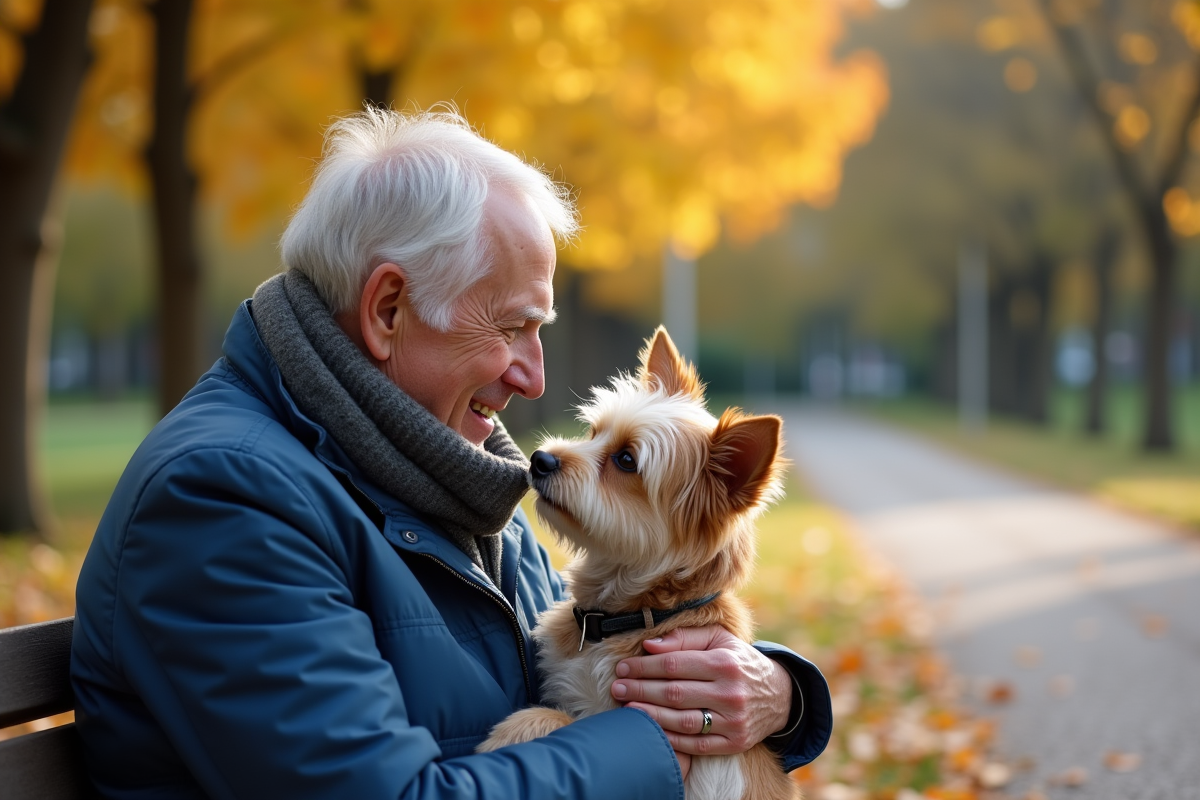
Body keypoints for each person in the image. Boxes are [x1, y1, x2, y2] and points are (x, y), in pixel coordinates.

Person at [71, 106, 832, 799]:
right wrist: (662, 739)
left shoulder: (442, 468)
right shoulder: (223, 501)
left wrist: (780, 691)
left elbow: (595, 649)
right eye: (510, 328)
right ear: (388, 310)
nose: (533, 379)